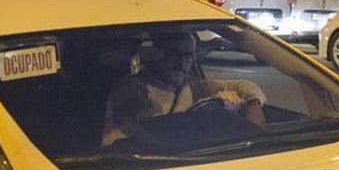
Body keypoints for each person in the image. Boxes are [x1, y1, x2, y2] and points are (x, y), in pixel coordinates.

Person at [102, 32, 266, 146]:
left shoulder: (191, 86)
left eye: (188, 56)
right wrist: (198, 113)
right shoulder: (132, 88)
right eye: (174, 54)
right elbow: (129, 137)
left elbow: (243, 85)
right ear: (156, 54)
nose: (182, 63)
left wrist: (253, 104)